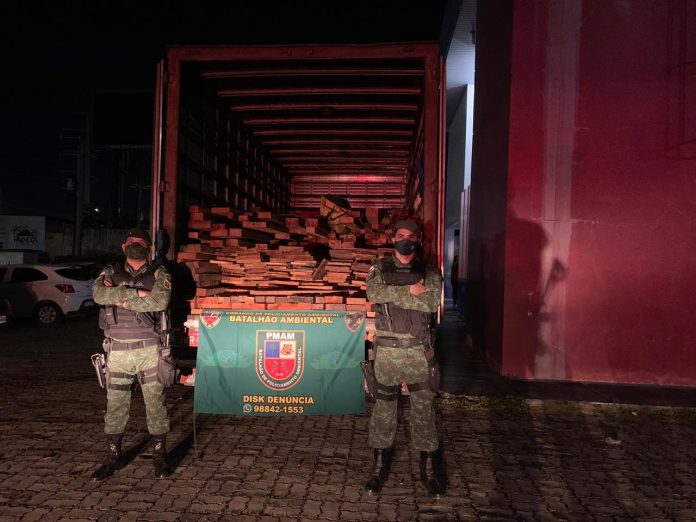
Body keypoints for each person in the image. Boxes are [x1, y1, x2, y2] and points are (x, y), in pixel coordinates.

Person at [365, 219, 445, 496]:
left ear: (418, 240)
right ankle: (377, 469)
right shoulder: (379, 267)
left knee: (424, 411)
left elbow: (431, 302)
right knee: (383, 410)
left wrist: (394, 294)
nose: (405, 240)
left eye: (411, 236)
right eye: (401, 235)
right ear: (393, 238)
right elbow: (373, 293)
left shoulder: (431, 270)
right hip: (387, 353)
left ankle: (429, 471)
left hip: (419, 352)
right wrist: (410, 290)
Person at [91, 228, 173, 480]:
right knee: (115, 407)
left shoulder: (160, 273)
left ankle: (160, 456)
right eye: (131, 241)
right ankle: (113, 458)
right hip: (117, 351)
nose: (134, 244)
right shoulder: (109, 271)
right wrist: (138, 294)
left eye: (140, 242)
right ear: (123, 246)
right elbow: (97, 294)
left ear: (148, 247)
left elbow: (160, 302)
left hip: (149, 350)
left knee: (155, 406)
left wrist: (118, 296)